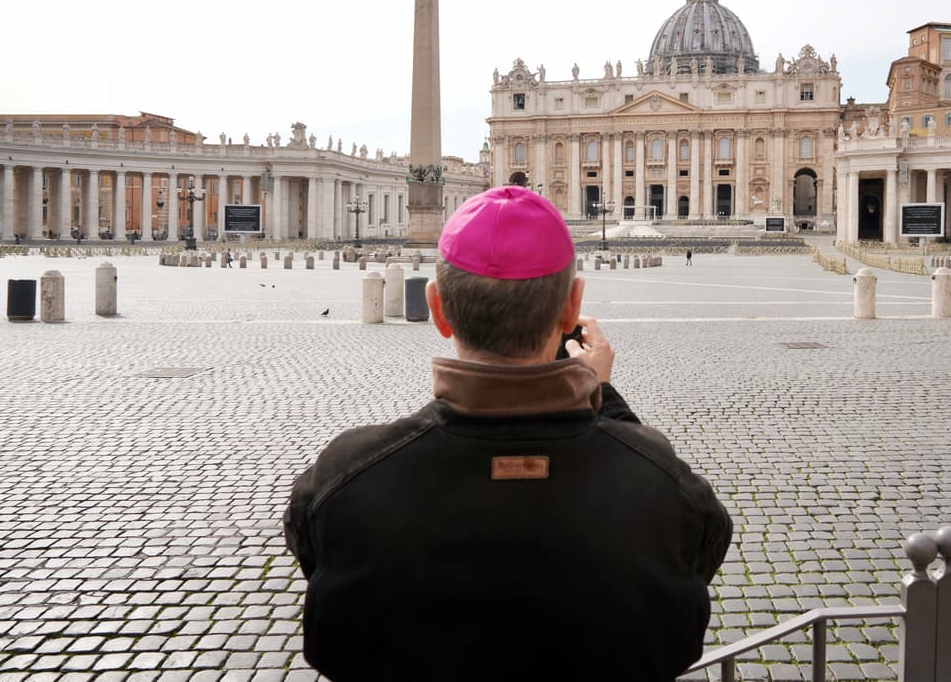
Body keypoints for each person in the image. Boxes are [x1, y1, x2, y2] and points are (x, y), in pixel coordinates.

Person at [283, 186, 732, 681]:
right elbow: (693, 549)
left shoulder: (345, 479)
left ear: (438, 309)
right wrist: (603, 394)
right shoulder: (662, 487)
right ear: (572, 308)